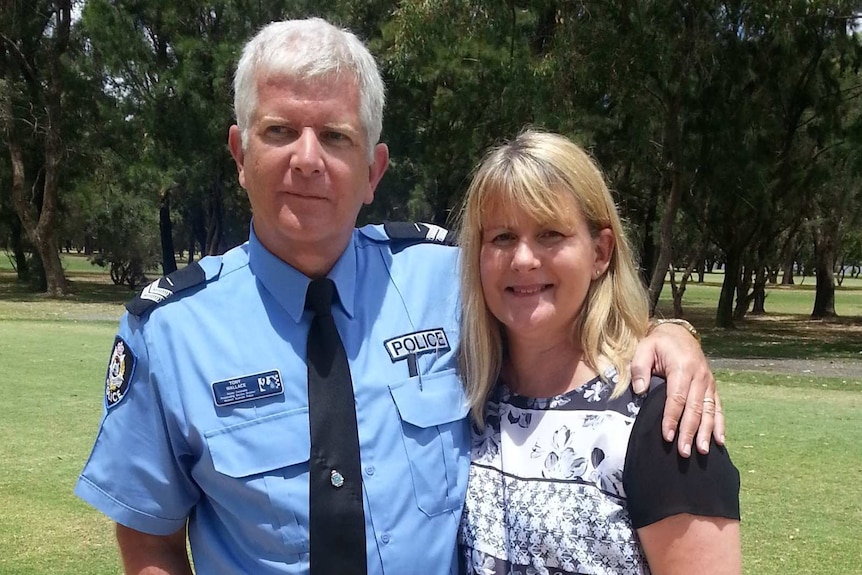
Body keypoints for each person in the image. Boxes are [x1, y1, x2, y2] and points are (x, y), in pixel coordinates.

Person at [75, 18, 722, 575]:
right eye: (279, 132)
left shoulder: (449, 280)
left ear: (373, 171)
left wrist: (667, 338)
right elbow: (149, 535)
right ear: (240, 154)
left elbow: (559, 307)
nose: (307, 159)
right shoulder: (170, 332)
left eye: (335, 136)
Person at [456, 130, 741, 575]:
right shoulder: (463, 400)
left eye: (550, 234)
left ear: (601, 252)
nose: (523, 259)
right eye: (502, 237)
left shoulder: (660, 417)